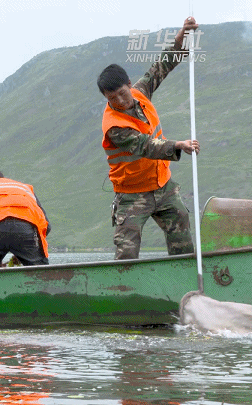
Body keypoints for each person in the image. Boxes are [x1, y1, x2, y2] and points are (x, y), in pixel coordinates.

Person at [98, 16, 201, 260]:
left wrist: (181, 39)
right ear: (106, 98)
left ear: (129, 85)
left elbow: (161, 66)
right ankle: (125, 282)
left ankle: (184, 276)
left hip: (163, 185)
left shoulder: (140, 92)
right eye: (112, 98)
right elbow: (145, 146)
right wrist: (178, 145)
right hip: (132, 194)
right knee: (126, 252)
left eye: (122, 93)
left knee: (181, 231)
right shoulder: (113, 126)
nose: (120, 101)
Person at [0, 169, 51, 269]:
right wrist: (25, 249)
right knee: (40, 271)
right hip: (26, 226)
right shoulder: (24, 188)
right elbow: (47, 226)